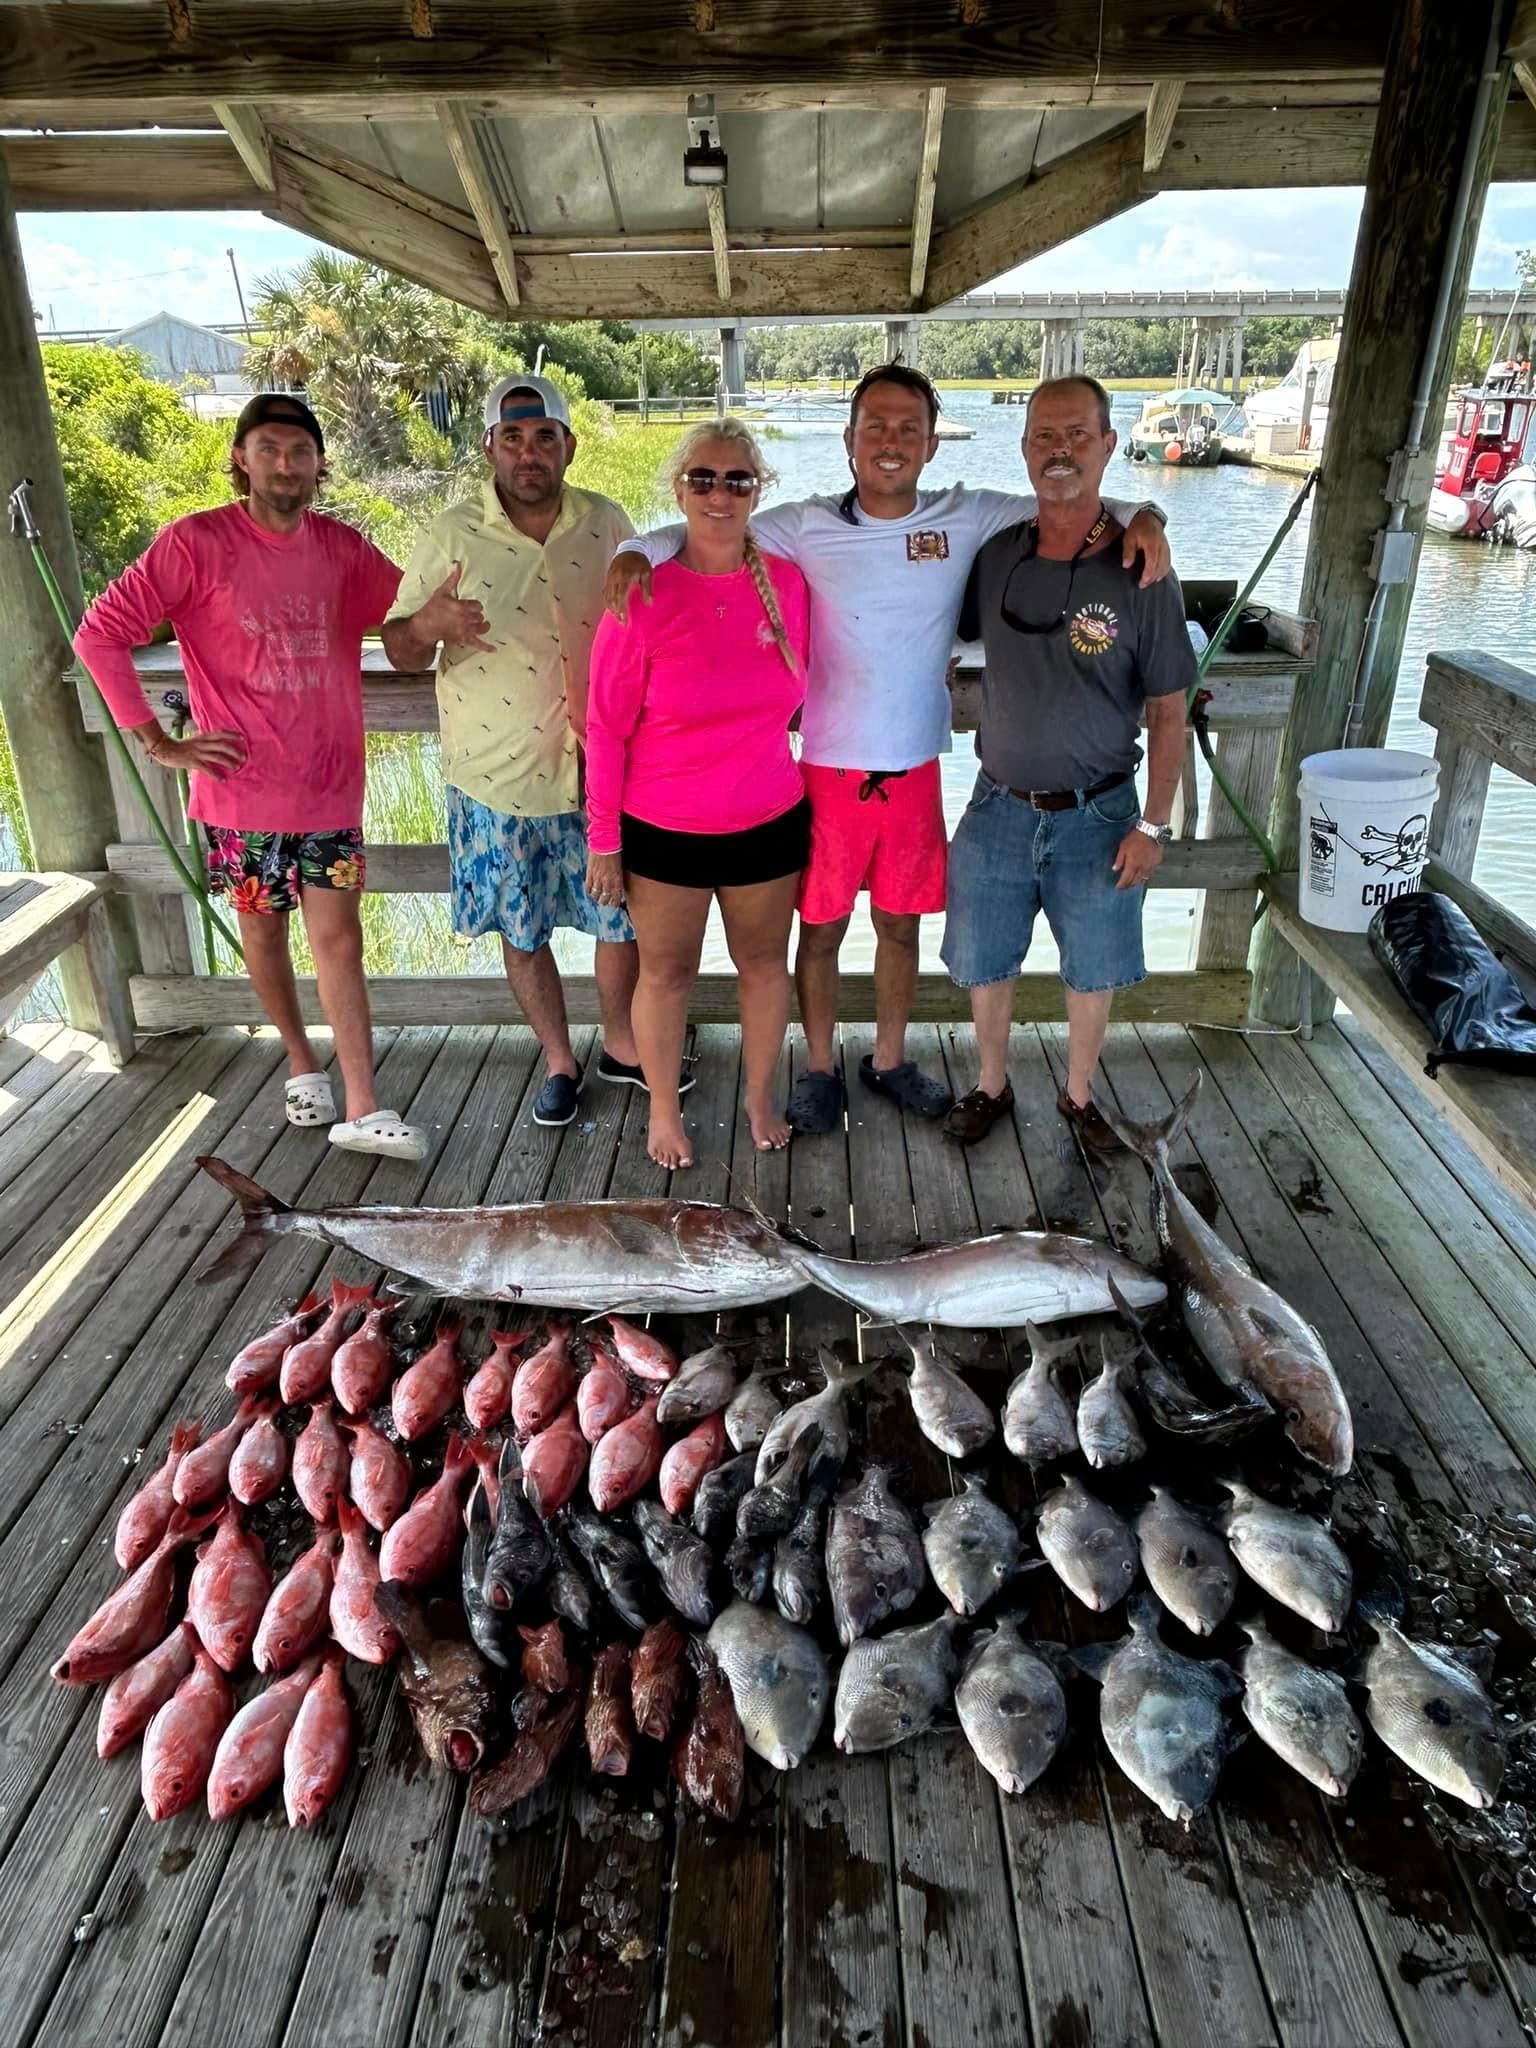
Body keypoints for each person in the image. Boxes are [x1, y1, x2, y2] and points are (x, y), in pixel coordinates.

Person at [606, 364, 1169, 1137]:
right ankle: (818, 1068)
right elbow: (708, 522)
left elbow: (1068, 500)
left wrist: (1147, 515)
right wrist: (636, 547)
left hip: (915, 766)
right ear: (849, 441)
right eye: (876, 425)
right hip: (827, 768)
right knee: (822, 932)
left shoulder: (968, 515)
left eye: (910, 427)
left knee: (903, 927)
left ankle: (892, 1058)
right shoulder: (800, 524)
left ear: (934, 443)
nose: (892, 441)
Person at [74, 393, 425, 1159]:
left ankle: (362, 1104)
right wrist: (159, 743)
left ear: (319, 465)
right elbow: (99, 635)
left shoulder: (342, 547)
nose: (286, 465)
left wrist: (446, 616)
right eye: (269, 449)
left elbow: (408, 611)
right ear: (241, 458)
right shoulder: (194, 543)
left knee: (340, 941)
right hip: (242, 792)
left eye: (301, 452)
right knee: (263, 935)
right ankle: (302, 1062)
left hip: (330, 787)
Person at [382, 372, 647, 1128]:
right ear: (488, 446)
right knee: (521, 928)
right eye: (513, 437)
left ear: (569, 444)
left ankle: (623, 1044)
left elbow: (649, 610)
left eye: (544, 437)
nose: (528, 452)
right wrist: (428, 624)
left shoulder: (608, 520)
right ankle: (560, 1060)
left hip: (603, 771)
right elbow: (399, 648)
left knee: (620, 920)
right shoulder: (450, 532)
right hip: (496, 776)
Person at [940, 374, 1194, 1149]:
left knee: (1094, 968)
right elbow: (935, 630)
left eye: (1079, 435)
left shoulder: (1141, 567)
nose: (1061, 451)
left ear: (1110, 446)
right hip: (997, 804)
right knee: (984, 960)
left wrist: (1156, 824)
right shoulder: (994, 554)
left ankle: (1080, 1097)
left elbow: (1169, 706)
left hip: (1102, 812)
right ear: (1022, 450)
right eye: (1045, 436)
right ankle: (991, 1084)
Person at [584, 419, 811, 1171]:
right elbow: (605, 728)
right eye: (703, 479)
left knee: (764, 966)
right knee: (665, 974)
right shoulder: (640, 587)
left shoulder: (789, 583)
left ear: (759, 490)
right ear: (678, 489)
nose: (720, 493)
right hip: (662, 826)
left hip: (768, 818)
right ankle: (661, 1107)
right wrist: (603, 841)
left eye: (737, 480)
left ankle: (758, 1097)